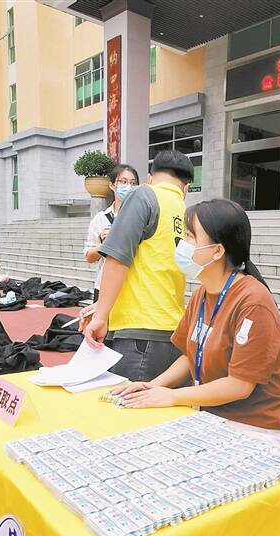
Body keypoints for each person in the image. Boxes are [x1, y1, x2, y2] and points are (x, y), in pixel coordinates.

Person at [113, 199, 280, 447]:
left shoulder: (253, 302)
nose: (181, 244)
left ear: (217, 251)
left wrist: (173, 396)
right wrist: (151, 386)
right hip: (210, 416)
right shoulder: (202, 293)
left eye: (190, 236)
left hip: (253, 428)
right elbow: (189, 356)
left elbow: (239, 385)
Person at [81, 150, 194, 381]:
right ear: (186, 187)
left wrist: (100, 317)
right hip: (172, 330)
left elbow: (117, 259)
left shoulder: (144, 196)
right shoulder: (186, 212)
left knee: (129, 400)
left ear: (150, 177)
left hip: (138, 333)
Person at [83, 164, 139, 302]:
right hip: (104, 287)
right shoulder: (100, 219)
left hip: (134, 289)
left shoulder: (142, 218)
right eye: (123, 182)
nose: (129, 187)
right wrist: (106, 245)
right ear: (112, 185)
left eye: (133, 183)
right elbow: (89, 256)